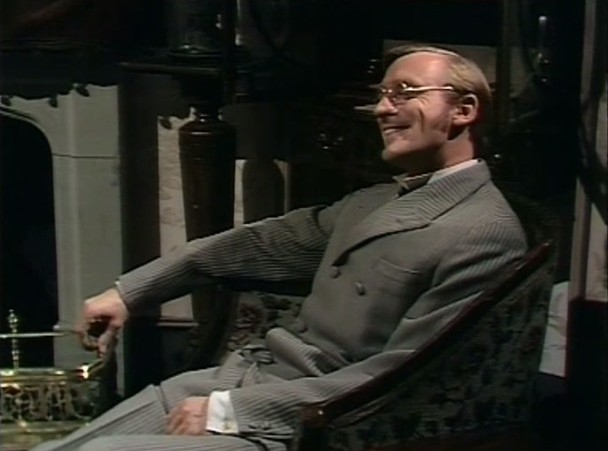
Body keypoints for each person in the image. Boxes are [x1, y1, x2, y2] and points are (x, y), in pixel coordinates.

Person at [33, 44, 527, 451]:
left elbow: (399, 378)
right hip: (244, 378)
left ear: (464, 110)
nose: (381, 109)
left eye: (404, 93)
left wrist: (229, 412)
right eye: (381, 94)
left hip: (309, 424)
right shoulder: (376, 200)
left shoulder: (482, 232)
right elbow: (259, 243)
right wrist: (130, 292)